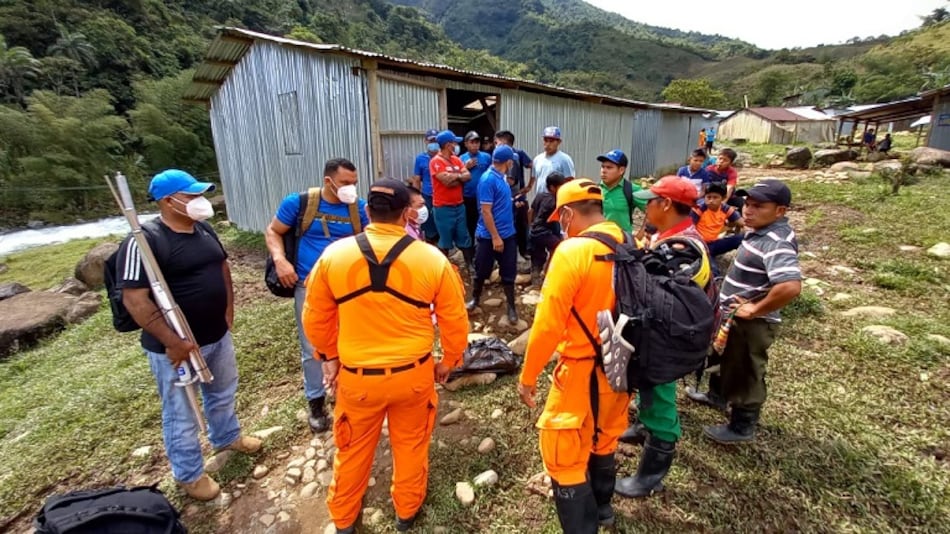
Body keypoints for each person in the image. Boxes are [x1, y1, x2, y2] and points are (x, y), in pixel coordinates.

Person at [302, 179, 469, 533]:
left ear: (367, 211)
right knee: (410, 447)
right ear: (407, 214)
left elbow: (315, 318)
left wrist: (328, 356)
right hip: (414, 376)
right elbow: (455, 320)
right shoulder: (432, 258)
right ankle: (406, 514)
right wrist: (448, 361)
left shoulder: (334, 256)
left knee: (351, 452)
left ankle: (345, 520)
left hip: (358, 380)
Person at [117, 169, 261, 501]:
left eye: (201, 194)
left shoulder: (204, 229)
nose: (200, 201)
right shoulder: (144, 241)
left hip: (216, 334)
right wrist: (173, 342)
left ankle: (226, 437)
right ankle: (188, 475)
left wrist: (228, 310)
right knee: (181, 412)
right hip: (175, 347)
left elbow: (221, 267)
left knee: (223, 391)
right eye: (192, 195)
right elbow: (135, 300)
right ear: (169, 201)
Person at [518, 179, 631, 532]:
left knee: (563, 453)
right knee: (606, 433)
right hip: (620, 359)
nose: (559, 225)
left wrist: (528, 376)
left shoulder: (571, 252)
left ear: (567, 213)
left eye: (559, 218)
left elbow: (548, 325)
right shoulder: (629, 241)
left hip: (581, 366)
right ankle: (603, 509)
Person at [614, 176, 712, 499]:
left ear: (666, 205)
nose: (645, 207)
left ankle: (651, 474)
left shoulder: (682, 248)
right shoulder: (671, 236)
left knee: (661, 396)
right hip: (663, 331)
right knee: (648, 387)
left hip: (668, 338)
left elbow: (656, 293)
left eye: (650, 201)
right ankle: (644, 426)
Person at [265, 158, 369, 433]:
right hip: (309, 287)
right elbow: (274, 231)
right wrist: (280, 259)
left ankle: (346, 392)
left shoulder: (358, 210)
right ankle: (316, 400)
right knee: (314, 346)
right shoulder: (299, 204)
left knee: (349, 340)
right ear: (328, 181)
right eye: (346, 183)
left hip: (349, 288)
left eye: (354, 183)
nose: (351, 189)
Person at [704, 180, 801, 444]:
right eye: (747, 203)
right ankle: (717, 397)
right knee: (726, 358)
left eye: (758, 206)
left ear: (780, 211)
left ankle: (742, 426)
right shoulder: (758, 231)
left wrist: (755, 309)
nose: (748, 210)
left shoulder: (775, 240)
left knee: (746, 369)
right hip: (734, 316)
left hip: (753, 324)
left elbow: (790, 286)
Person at [467, 145, 520, 324]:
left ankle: (511, 307)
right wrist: (496, 237)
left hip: (508, 234)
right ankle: (475, 299)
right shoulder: (489, 179)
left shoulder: (501, 177)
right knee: (481, 269)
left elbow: (497, 204)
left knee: (509, 271)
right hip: (489, 236)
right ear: (509, 162)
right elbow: (486, 211)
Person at [429, 130, 475, 269]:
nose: (456, 145)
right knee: (445, 239)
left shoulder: (456, 159)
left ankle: (469, 266)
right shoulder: (435, 161)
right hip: (443, 207)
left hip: (459, 206)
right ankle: (443, 268)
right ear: (448, 145)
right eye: (454, 143)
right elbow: (446, 181)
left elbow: (468, 176)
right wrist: (459, 177)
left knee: (464, 236)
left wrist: (455, 177)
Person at [494, 130, 533, 258]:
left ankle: (522, 251)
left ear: (505, 142)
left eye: (497, 142)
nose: (496, 145)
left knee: (520, 224)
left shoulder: (516, 155)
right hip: (508, 198)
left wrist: (529, 186)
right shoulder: (498, 156)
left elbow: (532, 166)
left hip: (516, 197)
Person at [528, 171, 567, 285]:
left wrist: (530, 226)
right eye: (561, 186)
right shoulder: (557, 201)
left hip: (535, 231)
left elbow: (530, 211)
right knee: (558, 247)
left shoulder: (540, 196)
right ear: (552, 187)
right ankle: (547, 274)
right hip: (544, 231)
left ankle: (536, 276)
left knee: (537, 254)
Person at [692, 182, 744, 263]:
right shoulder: (699, 209)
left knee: (743, 237)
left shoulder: (725, 209)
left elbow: (742, 222)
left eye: (715, 197)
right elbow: (689, 229)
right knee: (713, 269)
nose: (711, 200)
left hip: (714, 243)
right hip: (699, 245)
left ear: (723, 198)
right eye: (708, 197)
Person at [598, 149, 645, 232]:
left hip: (622, 243)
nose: (603, 171)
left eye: (609, 167)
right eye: (602, 166)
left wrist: (641, 233)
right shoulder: (594, 190)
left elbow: (654, 210)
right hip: (598, 241)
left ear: (621, 170)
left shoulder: (631, 190)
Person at [461, 131, 492, 243]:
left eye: (477, 142)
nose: (475, 145)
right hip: (468, 196)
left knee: (485, 220)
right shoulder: (461, 159)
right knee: (470, 222)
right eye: (472, 142)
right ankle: (471, 248)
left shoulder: (487, 157)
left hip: (484, 197)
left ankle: (484, 244)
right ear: (466, 144)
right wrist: (466, 167)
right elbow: (458, 177)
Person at [527, 126, 575, 198]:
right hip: (540, 199)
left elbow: (570, 180)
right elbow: (534, 177)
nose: (548, 144)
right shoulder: (537, 159)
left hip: (556, 199)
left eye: (552, 141)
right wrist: (528, 187)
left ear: (559, 142)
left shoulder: (565, 159)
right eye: (546, 140)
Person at [411, 129, 440, 242]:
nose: (434, 143)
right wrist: (415, 199)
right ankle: (430, 242)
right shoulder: (420, 159)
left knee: (442, 222)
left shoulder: (444, 158)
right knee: (428, 222)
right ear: (426, 141)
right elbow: (417, 179)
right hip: (427, 195)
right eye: (431, 140)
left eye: (436, 140)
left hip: (442, 197)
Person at [706, 148, 741, 212]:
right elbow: (705, 186)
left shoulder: (731, 172)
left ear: (730, 163)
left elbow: (729, 188)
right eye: (720, 158)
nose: (721, 161)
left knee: (742, 204)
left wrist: (723, 202)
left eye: (725, 160)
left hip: (728, 196)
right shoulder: (709, 169)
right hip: (712, 196)